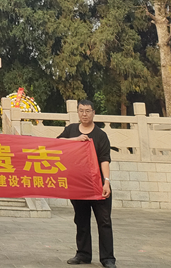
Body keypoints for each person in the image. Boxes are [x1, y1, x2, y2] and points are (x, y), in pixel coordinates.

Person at [58, 100, 116, 268]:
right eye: (81, 111)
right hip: (79, 185)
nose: (84, 114)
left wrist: (106, 182)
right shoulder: (71, 130)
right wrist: (75, 139)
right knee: (81, 220)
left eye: (87, 111)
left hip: (98, 185)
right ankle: (83, 254)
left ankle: (108, 258)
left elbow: (105, 160)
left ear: (93, 113)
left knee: (104, 222)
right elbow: (58, 145)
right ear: (77, 112)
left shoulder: (100, 135)